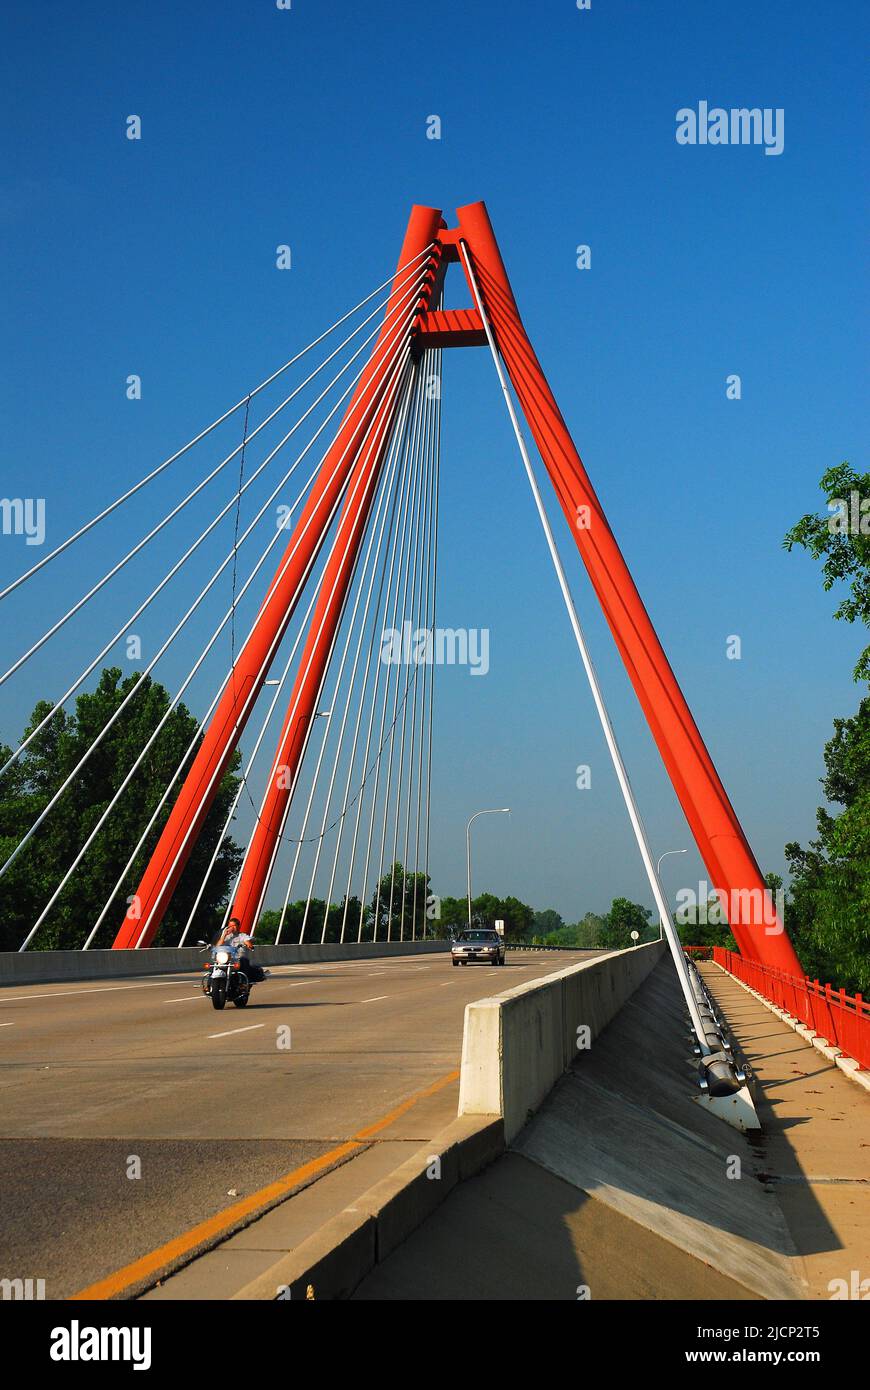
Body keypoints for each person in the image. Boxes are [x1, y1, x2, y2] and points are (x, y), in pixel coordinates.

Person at [216, 917, 270, 984]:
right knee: (215, 964)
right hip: (228, 958)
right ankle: (210, 984)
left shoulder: (242, 936)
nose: (232, 927)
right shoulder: (226, 937)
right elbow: (218, 946)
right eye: (230, 926)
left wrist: (248, 944)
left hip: (238, 958)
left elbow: (247, 942)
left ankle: (243, 982)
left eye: (234, 926)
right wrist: (224, 935)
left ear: (238, 926)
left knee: (244, 960)